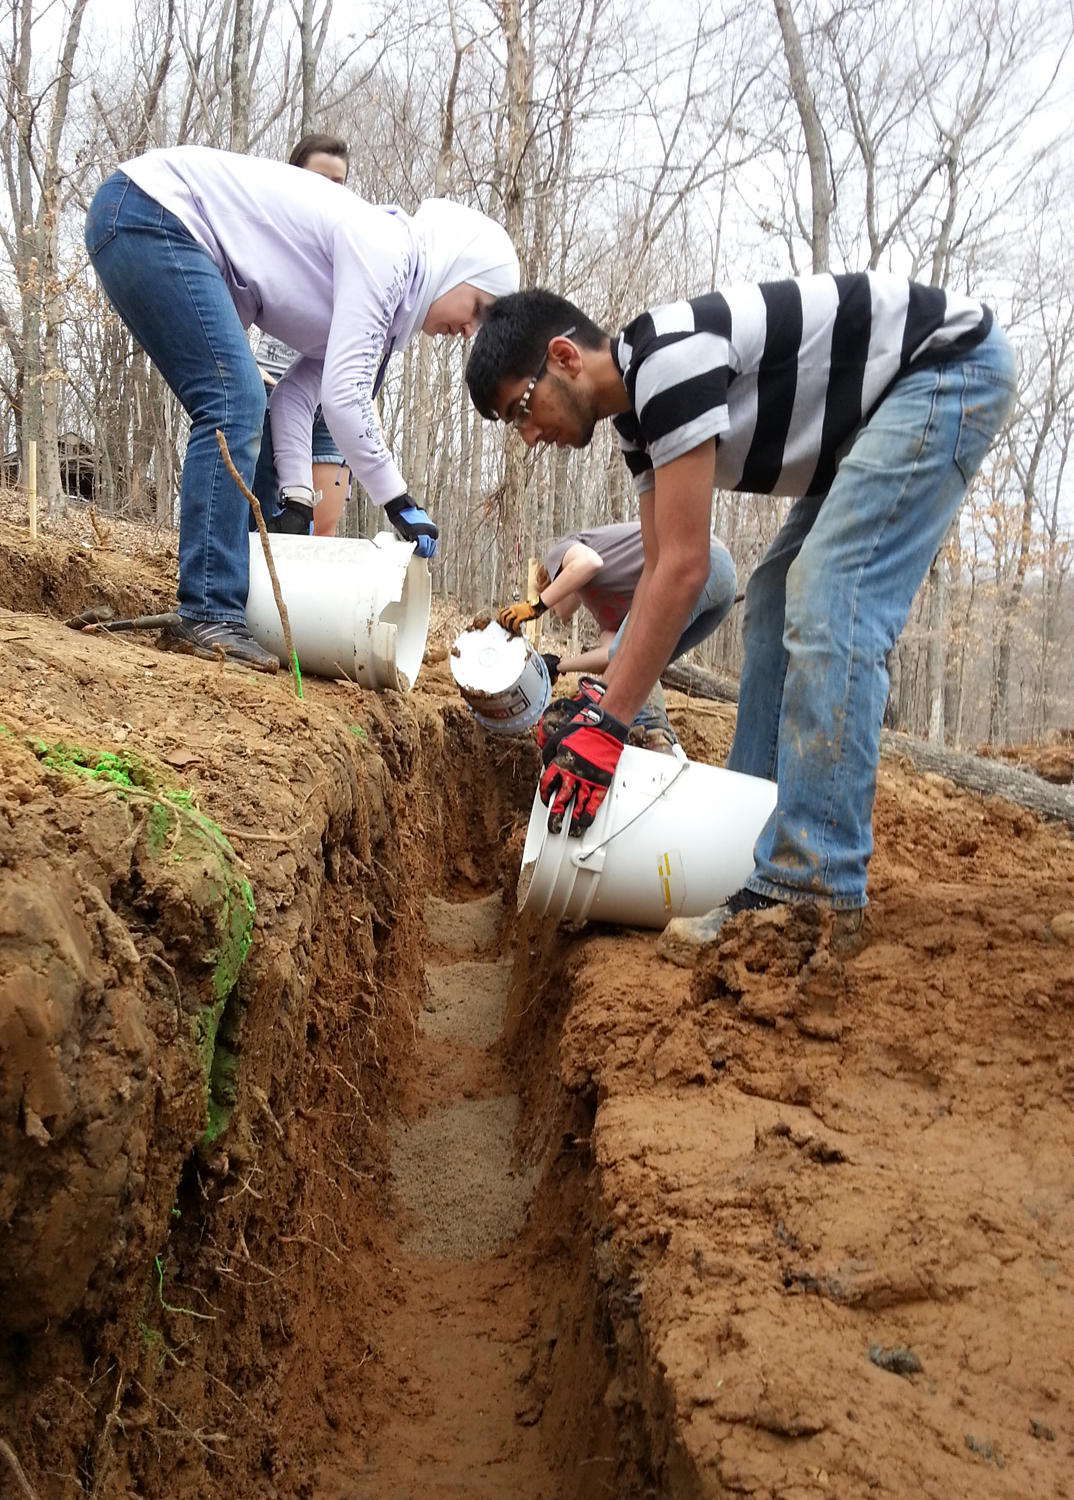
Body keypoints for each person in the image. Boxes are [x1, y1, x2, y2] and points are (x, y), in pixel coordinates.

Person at [466, 276, 1016, 933]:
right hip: (875, 413)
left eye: (521, 409)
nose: (529, 435)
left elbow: (687, 567)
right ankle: (747, 839)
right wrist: (604, 707)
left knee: (830, 592)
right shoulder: (639, 419)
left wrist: (607, 729)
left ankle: (813, 887)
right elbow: (658, 578)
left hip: (943, 368)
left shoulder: (668, 363)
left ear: (563, 357)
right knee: (775, 596)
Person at [85, 144, 519, 671]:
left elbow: (296, 398)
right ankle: (208, 611)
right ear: (455, 267)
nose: (470, 331)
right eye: (478, 307)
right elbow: (344, 399)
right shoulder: (388, 251)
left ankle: (217, 608)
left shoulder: (385, 312)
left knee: (240, 398)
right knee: (233, 397)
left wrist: (297, 497)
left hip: (149, 221)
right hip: (152, 212)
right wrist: (398, 500)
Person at [497, 521, 736, 750]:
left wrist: (536, 605)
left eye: (552, 606)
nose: (555, 613)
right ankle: (659, 749)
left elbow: (589, 563)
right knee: (637, 671)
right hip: (720, 585)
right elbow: (612, 658)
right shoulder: (606, 612)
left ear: (553, 581)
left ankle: (653, 735)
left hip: (696, 560)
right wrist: (559, 665)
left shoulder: (560, 553)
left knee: (634, 673)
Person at [252, 134, 354, 539]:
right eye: (318, 179)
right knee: (269, 524)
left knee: (317, 533)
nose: (329, 191)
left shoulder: (355, 246)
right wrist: (248, 367)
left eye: (338, 183)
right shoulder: (268, 236)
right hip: (269, 389)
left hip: (330, 402)